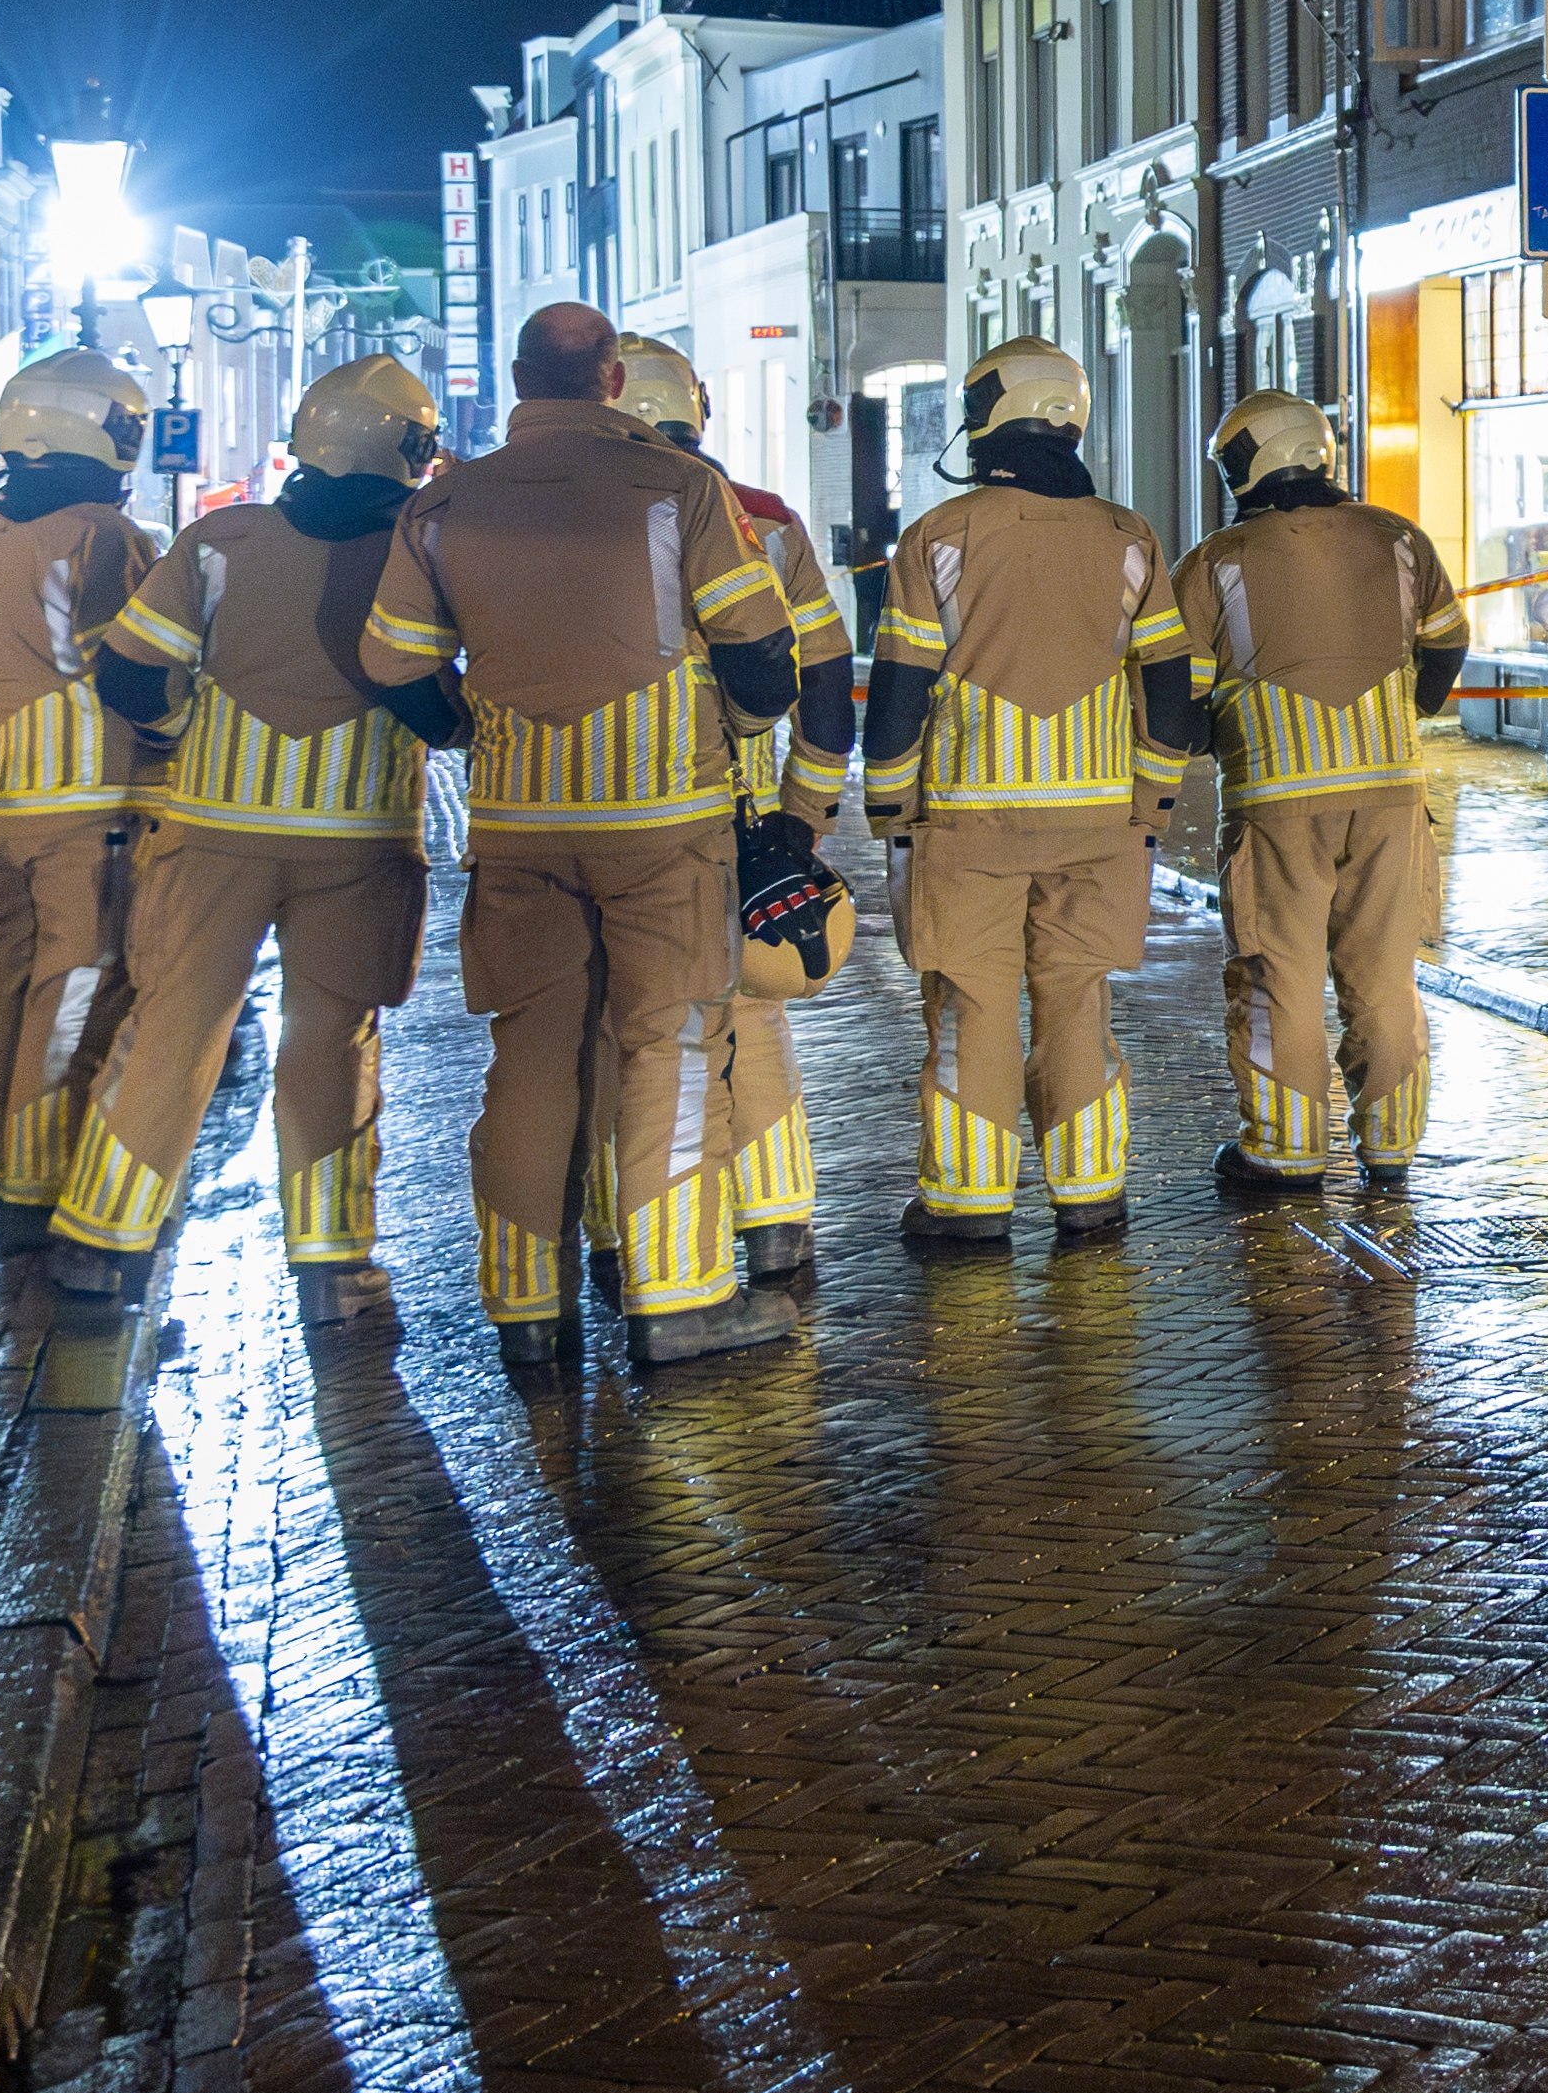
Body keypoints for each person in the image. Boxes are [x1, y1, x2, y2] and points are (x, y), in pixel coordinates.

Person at [353, 303, 804, 1380]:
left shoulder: (443, 502)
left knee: (531, 1057)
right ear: (611, 380)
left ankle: (525, 1304)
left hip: (519, 826)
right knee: (669, 1046)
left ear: (518, 381)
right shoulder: (679, 487)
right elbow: (759, 652)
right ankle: (679, 1299)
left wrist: (469, 729)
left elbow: (391, 660)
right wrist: (738, 728)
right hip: (664, 825)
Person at [46, 359, 445, 1322]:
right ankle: (333, 1268)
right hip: (360, 838)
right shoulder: (421, 552)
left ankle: (101, 1241)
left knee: (172, 1030)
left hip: (214, 835)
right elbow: (440, 700)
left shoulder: (218, 542)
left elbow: (130, 675)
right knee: (333, 1042)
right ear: (409, 449)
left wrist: (187, 732)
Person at [863, 338, 1196, 1248]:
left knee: (971, 1003)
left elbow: (899, 689)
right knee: (1078, 998)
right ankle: (1090, 1191)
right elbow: (1170, 685)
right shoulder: (1129, 537)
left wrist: (889, 808)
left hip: (966, 821)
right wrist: (1152, 802)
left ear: (989, 418)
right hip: (1099, 822)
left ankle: (968, 1203)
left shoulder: (939, 536)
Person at [1176, 387, 1466, 1201]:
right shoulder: (1399, 539)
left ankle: (1284, 1150)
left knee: (1280, 978)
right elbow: (1448, 643)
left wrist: (1209, 738)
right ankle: (1391, 1145)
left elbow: (1176, 692)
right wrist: (1406, 712)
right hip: (1391, 797)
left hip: (1275, 801)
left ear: (1249, 462)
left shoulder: (1216, 560)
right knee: (1385, 976)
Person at [611, 337, 857, 1284]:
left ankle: (628, 1241)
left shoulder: (578, 516)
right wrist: (807, 811)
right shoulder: (767, 520)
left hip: (619, 812)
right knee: (754, 1018)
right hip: (747, 820)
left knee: (628, 1029)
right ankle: (778, 1223)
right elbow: (825, 675)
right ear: (696, 409)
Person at [0, 349, 169, 1240]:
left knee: (16, 983)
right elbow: (138, 671)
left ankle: (9, 1169)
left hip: (5, 807)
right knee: (79, 993)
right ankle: (40, 1188)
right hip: (94, 807)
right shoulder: (104, 535)